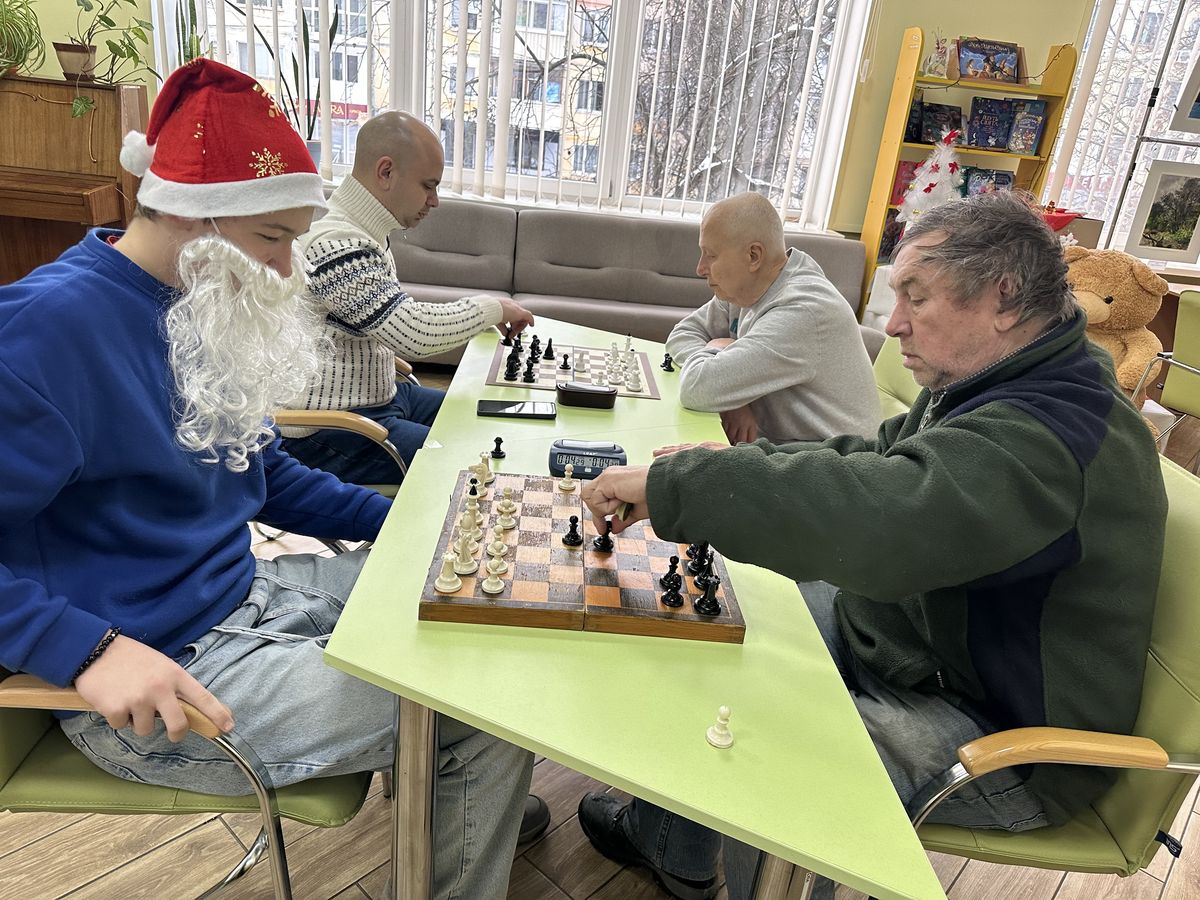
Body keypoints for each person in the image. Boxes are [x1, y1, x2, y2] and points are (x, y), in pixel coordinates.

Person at [0, 60, 535, 899]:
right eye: (273, 240)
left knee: (476, 593)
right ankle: (471, 775)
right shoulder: (44, 333)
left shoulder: (196, 301)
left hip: (249, 594)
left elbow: (260, 474)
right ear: (191, 216)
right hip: (159, 676)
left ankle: (467, 792)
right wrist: (84, 649)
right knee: (486, 702)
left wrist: (407, 519)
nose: (287, 272)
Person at [577, 190, 1168, 900]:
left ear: (1005, 299)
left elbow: (885, 519)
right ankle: (675, 849)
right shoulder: (995, 378)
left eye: (916, 297)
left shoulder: (1050, 434)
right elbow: (873, 458)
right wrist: (713, 471)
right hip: (918, 646)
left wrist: (685, 489)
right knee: (726, 622)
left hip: (999, 730)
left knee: (768, 762)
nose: (893, 324)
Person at [278, 111, 536, 484]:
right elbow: (412, 333)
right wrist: (493, 308)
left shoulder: (366, 233)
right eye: (428, 186)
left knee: (488, 418)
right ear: (386, 172)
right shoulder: (335, 244)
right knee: (481, 462)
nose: (435, 201)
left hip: (380, 399)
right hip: (332, 429)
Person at [666, 192, 879, 444]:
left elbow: (696, 388)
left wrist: (719, 360)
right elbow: (683, 334)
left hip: (826, 458)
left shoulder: (802, 311)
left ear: (753, 256)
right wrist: (732, 396)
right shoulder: (744, 289)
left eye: (710, 255)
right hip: (782, 447)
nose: (700, 268)